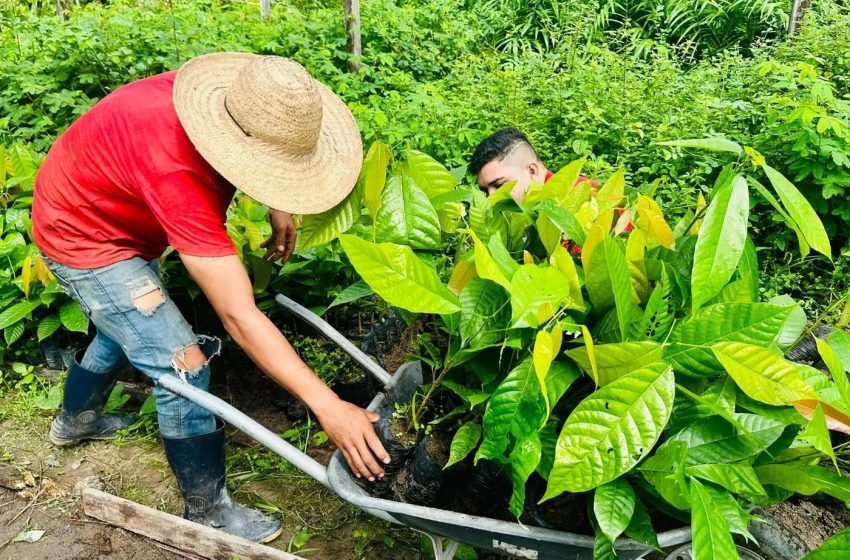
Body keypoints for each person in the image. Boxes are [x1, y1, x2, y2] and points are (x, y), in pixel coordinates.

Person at [32, 52, 389, 543]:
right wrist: (329, 407)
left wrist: (276, 198)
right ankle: (208, 510)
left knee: (123, 330)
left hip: (117, 213)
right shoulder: (176, 172)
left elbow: (253, 143)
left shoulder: (225, 101)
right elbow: (239, 316)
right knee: (182, 363)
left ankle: (75, 422)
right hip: (83, 238)